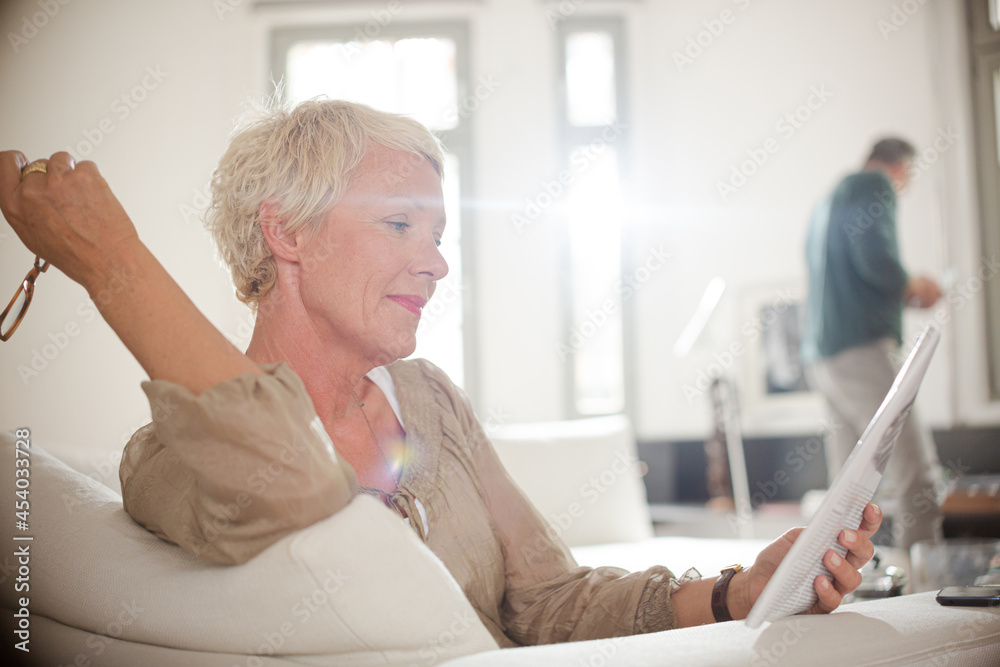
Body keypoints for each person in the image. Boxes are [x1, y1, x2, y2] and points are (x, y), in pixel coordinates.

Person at [0, 100, 880, 648]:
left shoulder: (426, 399)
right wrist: (111, 262)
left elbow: (551, 601)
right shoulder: (169, 455)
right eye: (400, 225)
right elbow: (292, 482)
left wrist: (736, 589)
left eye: (439, 235)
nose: (437, 263)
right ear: (287, 232)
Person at [802, 137, 943, 552]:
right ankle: (926, 580)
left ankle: (830, 577)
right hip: (861, 348)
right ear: (900, 168)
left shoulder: (827, 201)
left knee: (849, 488)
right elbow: (876, 260)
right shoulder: (874, 185)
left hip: (825, 356)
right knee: (916, 472)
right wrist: (914, 286)